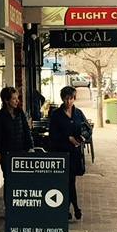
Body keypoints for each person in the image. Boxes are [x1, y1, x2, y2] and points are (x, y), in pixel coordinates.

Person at [46, 85, 90, 220]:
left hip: (75, 153)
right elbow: (53, 135)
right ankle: (73, 207)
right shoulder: (56, 115)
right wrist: (68, 138)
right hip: (61, 153)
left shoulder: (78, 113)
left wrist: (82, 138)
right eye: (66, 99)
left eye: (71, 99)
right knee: (66, 182)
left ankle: (72, 208)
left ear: (74, 98)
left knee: (71, 181)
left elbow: (87, 129)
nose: (68, 102)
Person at [0, 86, 33, 194]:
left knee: (21, 179)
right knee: (9, 179)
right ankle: (9, 203)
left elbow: (26, 130)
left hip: (21, 151)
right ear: (6, 100)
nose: (17, 101)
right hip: (7, 153)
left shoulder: (20, 112)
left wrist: (30, 147)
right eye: (14, 99)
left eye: (17, 98)